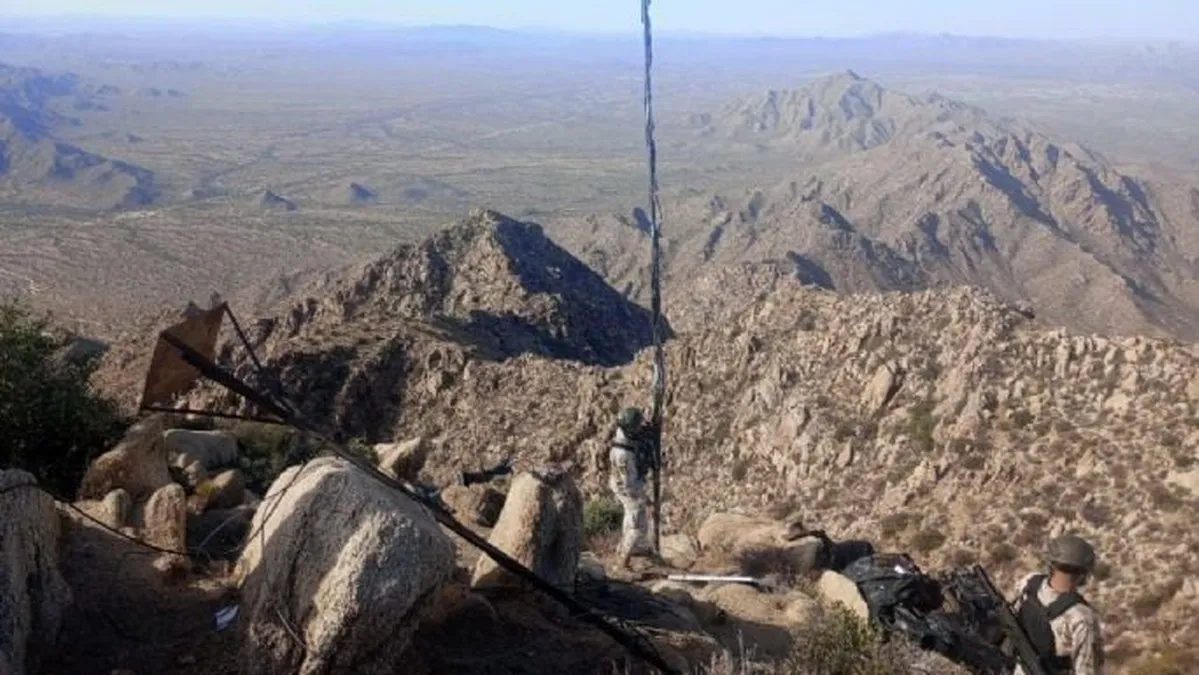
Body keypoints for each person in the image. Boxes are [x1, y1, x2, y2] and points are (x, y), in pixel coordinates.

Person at [1010, 534, 1105, 675]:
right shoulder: (1082, 618)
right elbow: (1087, 670)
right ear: (1084, 573)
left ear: (1052, 564)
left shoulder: (1028, 584)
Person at [608, 406, 657, 568]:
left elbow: (637, 436)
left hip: (621, 484)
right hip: (627, 487)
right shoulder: (624, 454)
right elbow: (629, 482)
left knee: (630, 517)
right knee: (637, 525)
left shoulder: (622, 436)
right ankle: (623, 560)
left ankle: (626, 549)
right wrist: (644, 497)